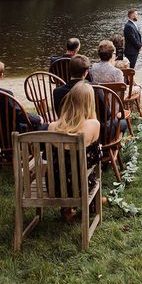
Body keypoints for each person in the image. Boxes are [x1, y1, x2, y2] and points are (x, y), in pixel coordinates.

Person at [48, 80, 102, 221]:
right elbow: (97, 157)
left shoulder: (53, 126)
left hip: (55, 187)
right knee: (85, 173)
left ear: (69, 100)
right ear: (90, 103)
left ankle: (67, 208)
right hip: (80, 188)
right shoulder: (93, 125)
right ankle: (89, 205)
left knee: (65, 170)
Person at [53, 54, 127, 138]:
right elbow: (107, 114)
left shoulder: (57, 92)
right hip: (97, 132)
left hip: (67, 131)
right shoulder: (95, 88)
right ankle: (113, 147)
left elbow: (59, 114)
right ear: (86, 72)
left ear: (69, 70)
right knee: (123, 123)